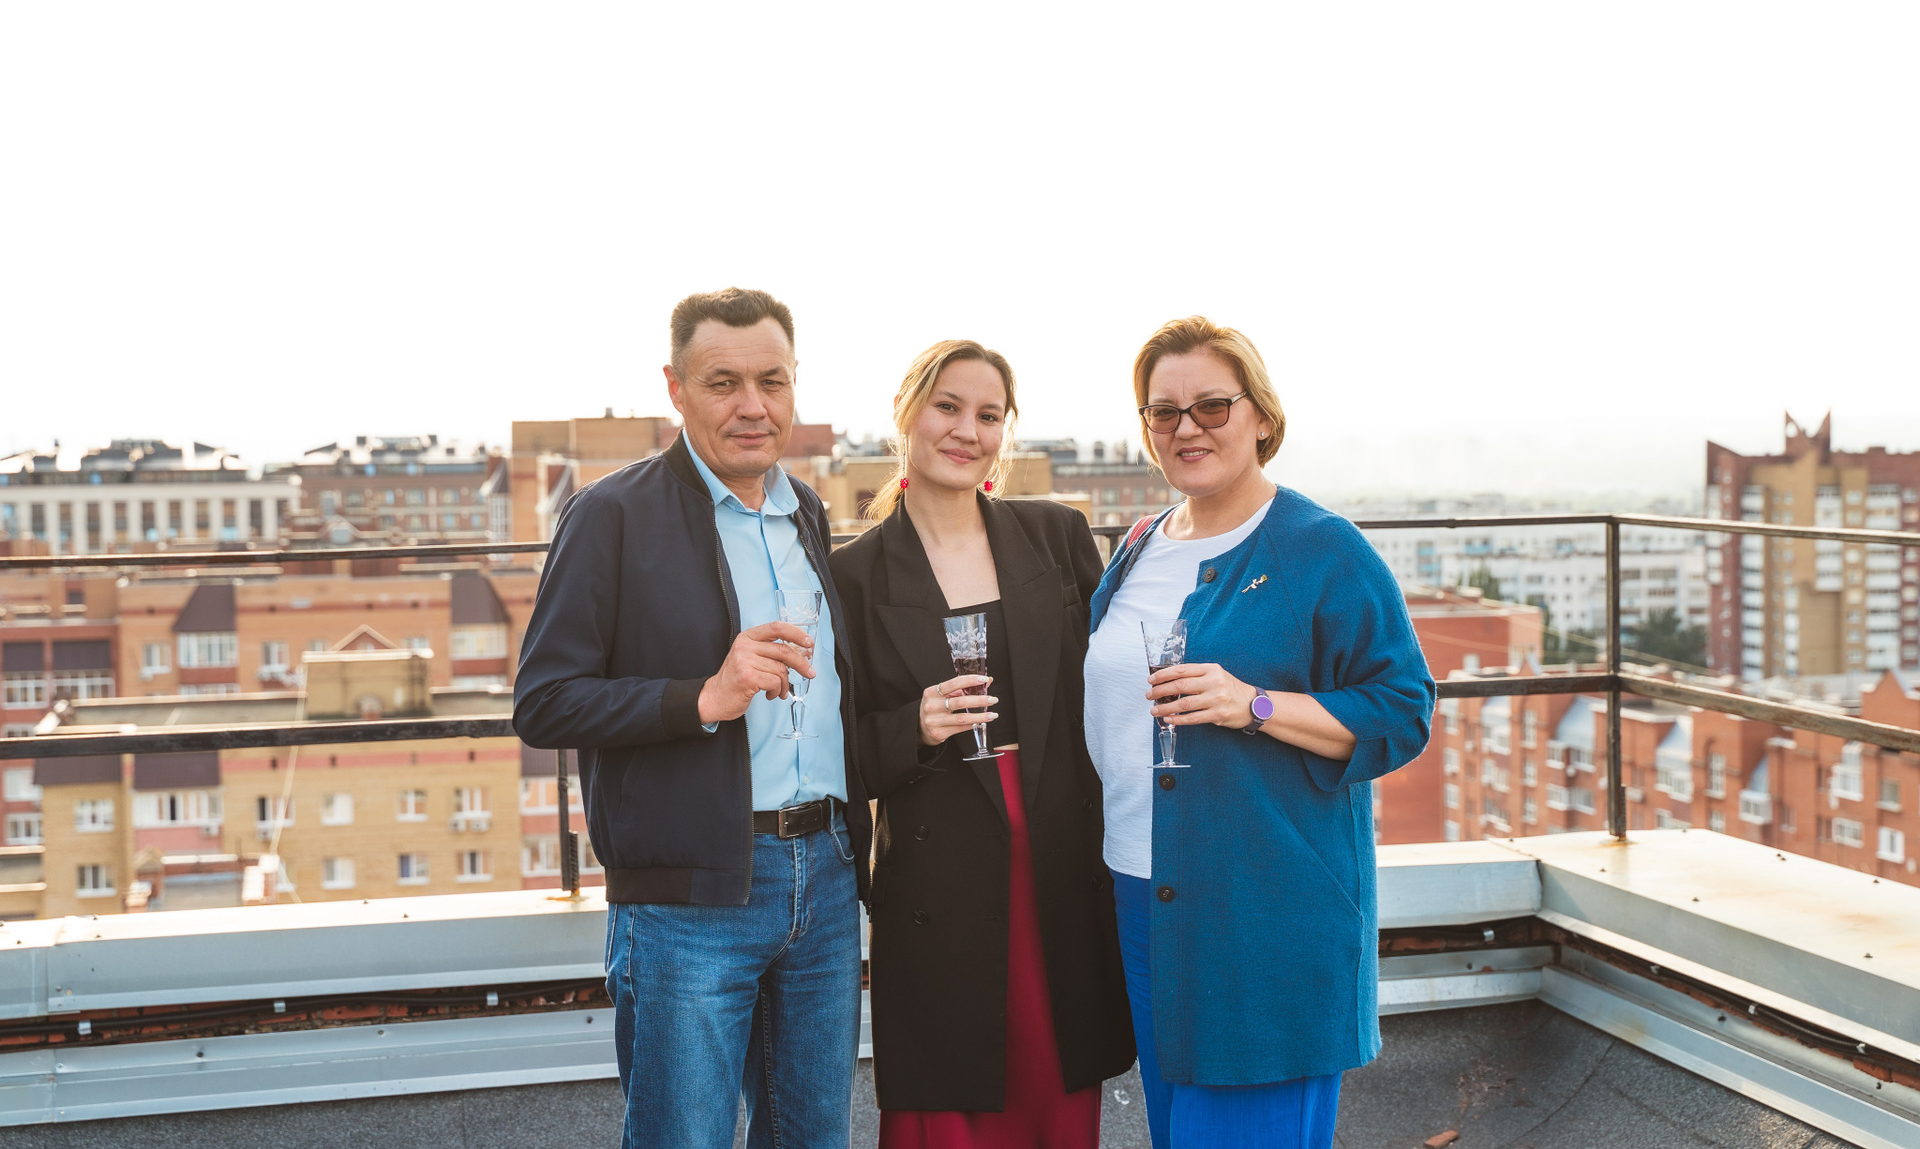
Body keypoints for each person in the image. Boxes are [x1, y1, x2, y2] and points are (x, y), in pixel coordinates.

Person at [513, 288, 871, 1149]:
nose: (753, 406)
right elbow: (544, 701)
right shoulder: (611, 515)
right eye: (722, 383)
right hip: (688, 899)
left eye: (772, 381)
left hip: (824, 880)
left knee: (814, 1139)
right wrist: (703, 698)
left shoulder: (806, 511)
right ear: (675, 389)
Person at [1083, 315, 1434, 1149]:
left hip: (1262, 914)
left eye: (1212, 406)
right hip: (1143, 898)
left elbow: (1402, 709)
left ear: (1262, 417)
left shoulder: (1322, 550)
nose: (1187, 428)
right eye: (1163, 411)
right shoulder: (1139, 546)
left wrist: (1257, 706)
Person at [831, 340, 1134, 1148]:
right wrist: (913, 725)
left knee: (1054, 1078)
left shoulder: (1057, 535)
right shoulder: (852, 574)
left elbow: (1110, 686)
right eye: (948, 407)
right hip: (940, 873)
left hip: (1061, 851)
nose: (967, 431)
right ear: (907, 414)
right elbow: (835, 755)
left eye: (989, 415)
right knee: (952, 1096)